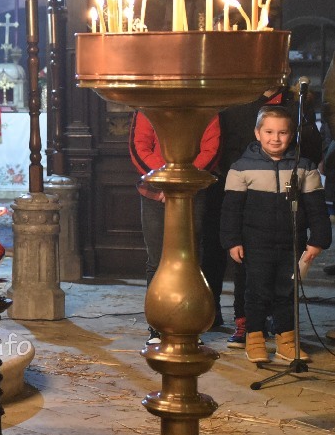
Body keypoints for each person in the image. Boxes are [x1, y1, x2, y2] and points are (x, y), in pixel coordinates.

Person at [214, 78, 322, 348]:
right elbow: (231, 209)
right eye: (269, 132)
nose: (276, 138)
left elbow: (316, 207)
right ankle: (253, 336)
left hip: (290, 240)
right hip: (255, 241)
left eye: (282, 133)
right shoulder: (242, 167)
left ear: (291, 134)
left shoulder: (302, 166)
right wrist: (232, 240)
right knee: (255, 290)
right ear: (258, 133)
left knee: (287, 290)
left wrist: (318, 238)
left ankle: (286, 341)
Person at [129, 109, 219, 345]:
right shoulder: (148, 105)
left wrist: (181, 183)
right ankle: (157, 327)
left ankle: (191, 327)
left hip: (192, 191)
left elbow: (211, 149)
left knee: (192, 260)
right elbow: (140, 148)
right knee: (156, 260)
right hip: (154, 193)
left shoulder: (205, 105)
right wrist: (166, 181)